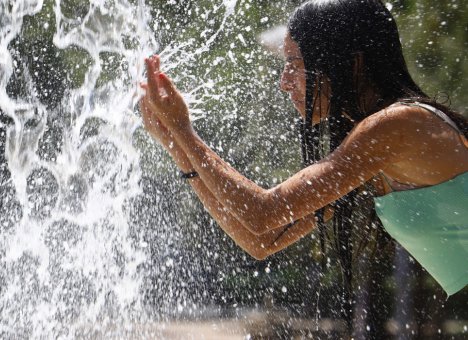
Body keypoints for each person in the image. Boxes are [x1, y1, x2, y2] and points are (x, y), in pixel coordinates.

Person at [139, 0, 468, 301]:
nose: (284, 82)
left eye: (295, 64)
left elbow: (261, 213)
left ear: (351, 63)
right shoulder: (374, 147)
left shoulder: (397, 125)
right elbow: (261, 241)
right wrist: (176, 143)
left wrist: (184, 130)